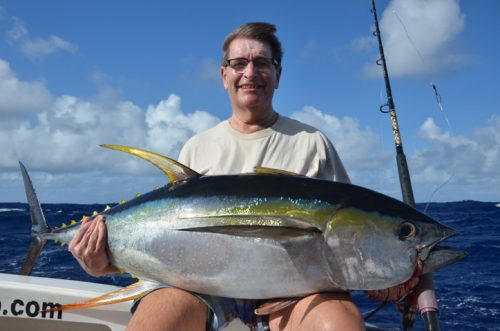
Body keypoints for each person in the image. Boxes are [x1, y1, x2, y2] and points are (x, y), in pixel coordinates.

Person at [70, 22, 414, 331]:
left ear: (278, 75)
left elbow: (349, 234)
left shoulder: (313, 144)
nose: (250, 72)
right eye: (239, 64)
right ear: (224, 75)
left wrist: (382, 275)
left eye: (262, 63)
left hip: (295, 294)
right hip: (200, 290)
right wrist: (102, 262)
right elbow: (167, 243)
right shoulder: (197, 146)